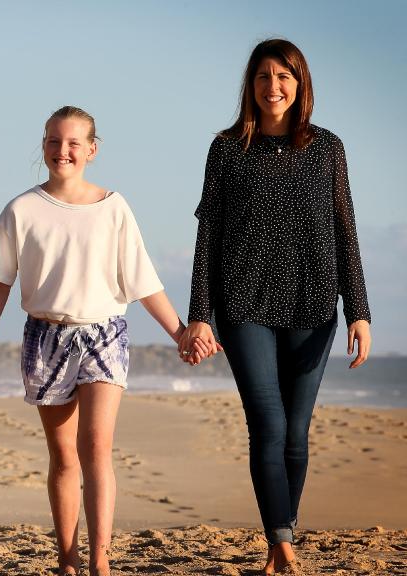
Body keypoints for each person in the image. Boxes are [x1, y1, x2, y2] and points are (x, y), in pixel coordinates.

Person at [0, 106, 208, 576]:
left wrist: (181, 332)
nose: (63, 151)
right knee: (62, 457)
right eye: (54, 142)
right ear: (43, 147)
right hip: (45, 336)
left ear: (92, 150)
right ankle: (67, 558)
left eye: (74, 143)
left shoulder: (114, 207)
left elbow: (144, 282)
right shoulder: (21, 209)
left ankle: (100, 559)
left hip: (104, 334)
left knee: (96, 446)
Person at [178, 38, 371, 575]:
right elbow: (208, 236)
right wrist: (200, 313)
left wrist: (359, 310)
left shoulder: (327, 148)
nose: (273, 86)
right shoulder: (226, 148)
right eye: (263, 76)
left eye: (283, 75)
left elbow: (345, 230)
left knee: (296, 430)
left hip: (313, 305)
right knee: (267, 421)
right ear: (251, 86)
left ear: (300, 82)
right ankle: (281, 542)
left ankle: (280, 534)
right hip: (244, 305)